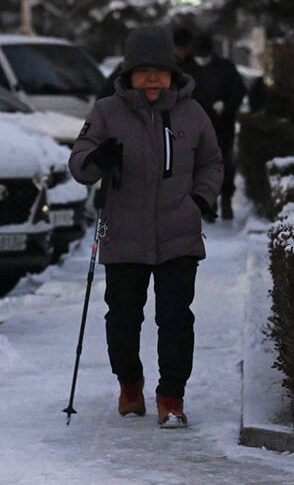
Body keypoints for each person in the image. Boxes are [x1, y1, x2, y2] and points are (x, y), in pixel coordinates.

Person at [69, 25, 223, 428]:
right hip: (123, 233)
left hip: (178, 233)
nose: (151, 77)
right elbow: (79, 163)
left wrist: (201, 200)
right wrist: (97, 158)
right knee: (122, 317)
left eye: (160, 69)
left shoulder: (192, 112)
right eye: (142, 70)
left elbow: (212, 161)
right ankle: (130, 384)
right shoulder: (107, 111)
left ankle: (171, 397)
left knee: (175, 318)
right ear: (128, 73)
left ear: (173, 71)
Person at [191, 33, 246, 220]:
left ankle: (226, 199)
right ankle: (208, 200)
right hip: (198, 128)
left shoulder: (225, 68)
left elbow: (239, 90)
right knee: (201, 165)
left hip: (222, 125)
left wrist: (227, 106)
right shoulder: (191, 69)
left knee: (224, 163)